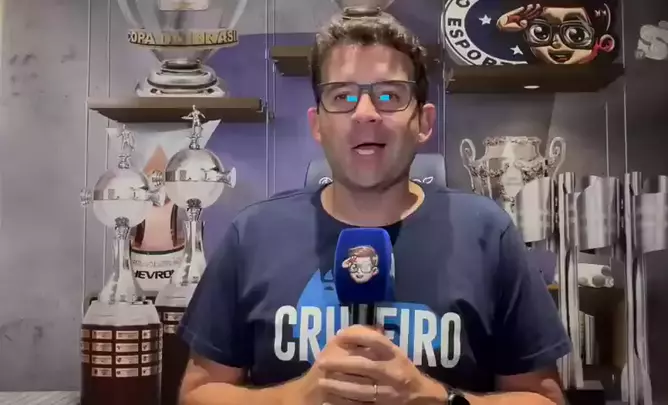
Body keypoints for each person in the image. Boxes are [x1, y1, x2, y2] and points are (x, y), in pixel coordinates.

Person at [177, 12, 571, 405]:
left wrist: (434, 398)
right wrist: (296, 398)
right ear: (317, 125)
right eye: (342, 96)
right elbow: (196, 395)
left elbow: (545, 400)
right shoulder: (253, 235)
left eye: (390, 95)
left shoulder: (487, 234)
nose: (365, 112)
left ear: (423, 122)